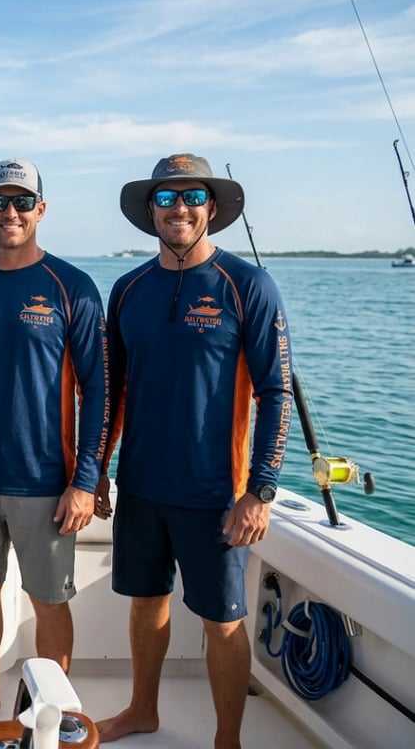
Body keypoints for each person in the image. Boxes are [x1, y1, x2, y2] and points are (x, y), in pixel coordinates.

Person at [94, 154, 293, 749]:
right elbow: (113, 391)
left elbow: (276, 391)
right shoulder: (128, 289)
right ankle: (142, 710)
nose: (179, 208)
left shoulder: (247, 284)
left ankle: (226, 739)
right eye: (166, 198)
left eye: (192, 197)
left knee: (223, 619)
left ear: (211, 208)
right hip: (142, 484)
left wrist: (260, 491)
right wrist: (98, 471)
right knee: (145, 600)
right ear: (150, 210)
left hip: (217, 494)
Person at [0, 158, 109, 715]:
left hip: (47, 483)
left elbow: (99, 393)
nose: (9, 212)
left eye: (21, 202)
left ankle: (50, 712)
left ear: (40, 209)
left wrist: (85, 481)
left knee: (50, 601)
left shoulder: (73, 287)